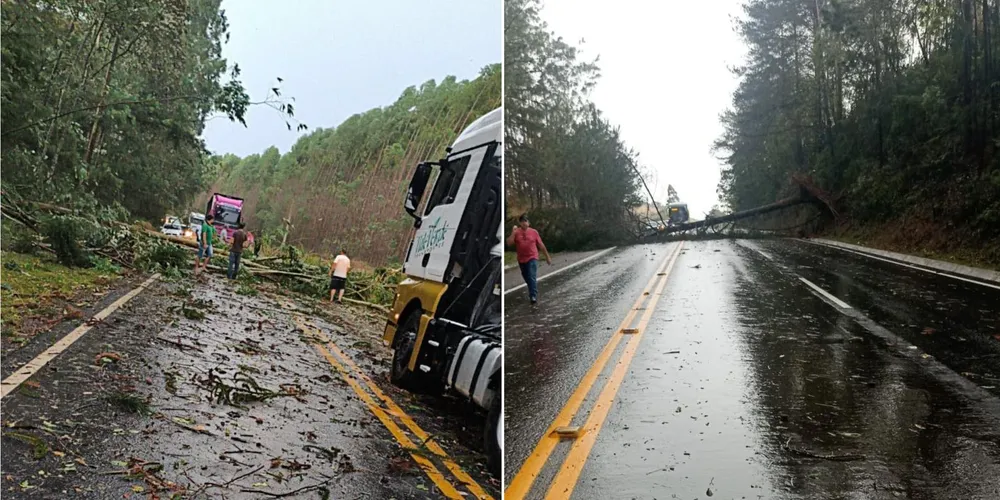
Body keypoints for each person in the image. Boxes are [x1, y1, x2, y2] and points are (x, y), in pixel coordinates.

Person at [507, 214, 551, 305]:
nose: (524, 223)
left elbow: (541, 245)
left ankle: (533, 295)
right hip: (522, 259)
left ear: (529, 222)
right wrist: (513, 232)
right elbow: (509, 243)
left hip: (532, 257)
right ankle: (532, 287)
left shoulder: (534, 232)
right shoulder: (516, 232)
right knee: (526, 277)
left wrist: (547, 257)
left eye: (526, 221)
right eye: (522, 221)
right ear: (520, 223)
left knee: (531, 275)